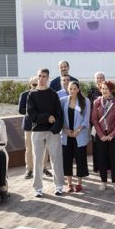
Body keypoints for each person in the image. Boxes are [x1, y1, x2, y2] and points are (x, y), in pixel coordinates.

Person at [26, 68, 65, 197]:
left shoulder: (53, 94)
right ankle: (38, 188)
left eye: (44, 76)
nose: (41, 79)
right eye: (39, 76)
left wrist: (54, 129)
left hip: (52, 131)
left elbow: (59, 114)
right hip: (37, 131)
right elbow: (31, 114)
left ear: (48, 78)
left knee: (56, 158)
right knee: (37, 160)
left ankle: (59, 185)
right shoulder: (31, 94)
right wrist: (47, 117)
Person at [92, 80, 115, 190]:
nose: (104, 91)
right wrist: (101, 135)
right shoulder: (97, 102)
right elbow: (94, 120)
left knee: (114, 159)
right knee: (101, 159)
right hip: (101, 136)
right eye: (102, 88)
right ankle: (103, 182)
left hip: (113, 137)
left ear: (111, 90)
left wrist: (112, 134)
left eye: (106, 89)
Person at [18, 76, 50, 179]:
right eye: (34, 84)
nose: (36, 86)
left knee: (44, 148)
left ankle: (44, 168)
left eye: (38, 84)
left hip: (43, 125)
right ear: (30, 85)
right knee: (29, 149)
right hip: (29, 126)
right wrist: (33, 112)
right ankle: (30, 170)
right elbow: (21, 110)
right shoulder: (24, 95)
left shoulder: (46, 95)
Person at [61, 81, 90, 192]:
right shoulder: (63, 101)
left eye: (74, 88)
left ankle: (79, 183)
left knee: (80, 159)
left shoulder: (85, 101)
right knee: (67, 159)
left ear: (78, 89)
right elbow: (61, 118)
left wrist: (78, 130)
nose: (72, 91)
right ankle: (69, 184)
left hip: (80, 135)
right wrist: (65, 129)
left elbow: (86, 119)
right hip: (66, 135)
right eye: (70, 89)